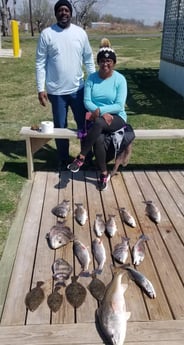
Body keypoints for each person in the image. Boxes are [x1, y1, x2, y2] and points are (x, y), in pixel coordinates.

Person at [35, 0, 95, 169]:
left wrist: (93, 82)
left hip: (78, 89)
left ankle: (87, 156)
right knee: (60, 127)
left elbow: (89, 60)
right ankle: (62, 158)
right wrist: (41, 88)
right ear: (56, 14)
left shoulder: (80, 33)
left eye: (66, 10)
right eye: (60, 10)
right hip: (56, 91)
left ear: (70, 13)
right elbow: (40, 63)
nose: (63, 13)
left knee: (83, 125)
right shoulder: (47, 34)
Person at [67, 38, 129, 191]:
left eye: (109, 61)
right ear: (98, 62)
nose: (105, 64)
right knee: (99, 138)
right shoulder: (91, 79)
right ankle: (103, 173)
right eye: (102, 61)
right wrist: (98, 113)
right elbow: (87, 100)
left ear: (114, 63)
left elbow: (119, 105)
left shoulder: (120, 79)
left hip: (117, 117)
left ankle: (81, 156)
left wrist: (101, 111)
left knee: (100, 123)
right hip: (96, 118)